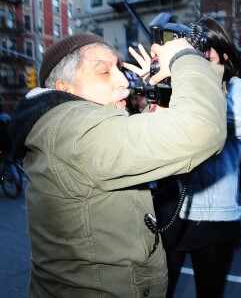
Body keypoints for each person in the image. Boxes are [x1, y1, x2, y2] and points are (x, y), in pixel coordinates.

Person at [8, 33, 227, 297]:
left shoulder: (70, 128)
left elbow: (154, 136)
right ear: (65, 88)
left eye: (119, 69)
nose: (124, 81)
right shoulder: (75, 131)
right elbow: (201, 130)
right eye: (104, 72)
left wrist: (166, 83)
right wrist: (186, 59)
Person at [126, 18, 241, 298]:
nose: (195, 59)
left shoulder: (233, 86)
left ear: (222, 56)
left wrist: (195, 92)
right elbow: (146, 141)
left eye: (204, 52)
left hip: (213, 218)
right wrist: (156, 91)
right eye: (188, 51)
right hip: (167, 211)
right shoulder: (172, 84)